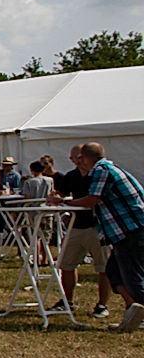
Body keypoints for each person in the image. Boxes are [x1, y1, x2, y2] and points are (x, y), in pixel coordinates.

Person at [60, 142, 144, 332]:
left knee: (133, 277)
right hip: (125, 231)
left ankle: (140, 315)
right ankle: (134, 311)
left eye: (79, 158)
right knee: (114, 272)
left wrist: (66, 202)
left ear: (85, 158)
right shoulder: (109, 168)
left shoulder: (102, 170)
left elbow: (91, 200)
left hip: (131, 230)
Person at [53, 145, 111, 318]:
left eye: (79, 158)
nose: (77, 162)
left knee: (104, 267)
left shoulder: (99, 175)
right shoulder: (71, 176)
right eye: (73, 159)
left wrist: (68, 205)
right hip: (76, 227)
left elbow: (92, 200)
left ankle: (102, 304)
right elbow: (60, 194)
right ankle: (67, 301)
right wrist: (63, 209)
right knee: (67, 265)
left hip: (97, 226)